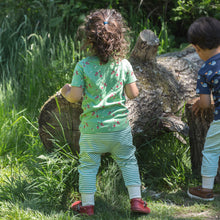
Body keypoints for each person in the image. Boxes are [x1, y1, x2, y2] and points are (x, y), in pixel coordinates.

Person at [61, 9, 150, 216]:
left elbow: (75, 96)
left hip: (92, 131)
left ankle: (87, 205)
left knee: (88, 166)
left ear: (89, 39)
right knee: (128, 161)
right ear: (119, 38)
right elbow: (133, 93)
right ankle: (136, 201)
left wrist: (65, 91)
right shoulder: (124, 64)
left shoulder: (82, 66)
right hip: (119, 129)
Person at [187, 16, 220, 201]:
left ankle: (206, 189)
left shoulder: (206, 69)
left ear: (197, 48)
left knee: (211, 151)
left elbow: (206, 103)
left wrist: (199, 102)